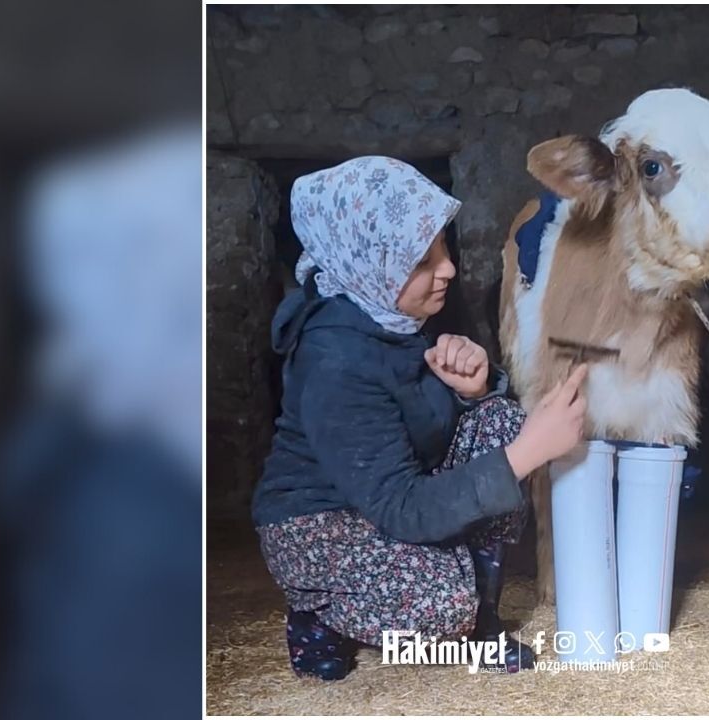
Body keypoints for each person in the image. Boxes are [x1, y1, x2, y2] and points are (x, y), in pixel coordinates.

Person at [252, 156, 588, 680]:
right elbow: (403, 505)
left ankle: (482, 617)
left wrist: (473, 391)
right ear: (370, 261)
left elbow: (416, 433)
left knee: (498, 420)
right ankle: (320, 613)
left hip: (385, 501)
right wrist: (529, 453)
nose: (449, 268)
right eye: (420, 260)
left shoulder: (388, 314)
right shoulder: (335, 362)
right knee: (438, 607)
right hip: (318, 523)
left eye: (442, 247)